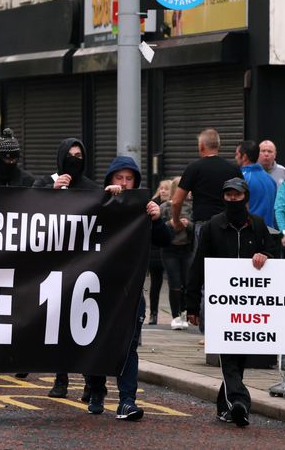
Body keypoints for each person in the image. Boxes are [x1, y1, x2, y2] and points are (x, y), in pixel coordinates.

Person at [83, 156, 171, 420]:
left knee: (128, 345)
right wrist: (104, 201)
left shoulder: (143, 208)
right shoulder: (98, 201)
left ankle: (127, 401)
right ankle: (97, 390)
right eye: (118, 178)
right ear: (110, 180)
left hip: (130, 290)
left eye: (128, 178)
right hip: (97, 288)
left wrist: (156, 219)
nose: (123, 183)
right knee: (95, 341)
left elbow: (165, 240)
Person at [186, 178, 277, 427]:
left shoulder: (258, 225)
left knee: (240, 355)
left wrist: (265, 255)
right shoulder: (213, 226)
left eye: (237, 195)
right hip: (221, 304)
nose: (232, 199)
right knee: (228, 355)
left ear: (245, 197)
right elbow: (198, 265)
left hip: (250, 305)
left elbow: (274, 252)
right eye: (228, 195)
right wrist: (191, 304)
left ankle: (223, 408)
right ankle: (240, 402)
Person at [33, 138, 97, 398]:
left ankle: (89, 382)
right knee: (58, 325)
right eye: (70, 154)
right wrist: (52, 191)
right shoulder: (43, 183)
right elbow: (29, 209)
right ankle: (60, 379)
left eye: (79, 155)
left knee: (84, 326)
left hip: (84, 266)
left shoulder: (92, 188)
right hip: (53, 266)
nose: (75, 158)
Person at [159, 176, 193, 330]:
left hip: (186, 249)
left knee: (187, 283)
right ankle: (175, 316)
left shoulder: (193, 207)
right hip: (170, 250)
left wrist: (189, 224)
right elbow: (159, 227)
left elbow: (198, 227)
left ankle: (185, 312)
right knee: (175, 284)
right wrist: (170, 224)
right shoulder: (166, 206)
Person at [236, 140, 277, 228]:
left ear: (244, 157)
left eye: (237, 154)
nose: (235, 158)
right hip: (269, 231)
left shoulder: (243, 178)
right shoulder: (271, 179)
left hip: (251, 232)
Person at [147, 180, 169, 326]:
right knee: (155, 282)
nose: (163, 191)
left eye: (166, 189)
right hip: (154, 252)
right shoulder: (152, 204)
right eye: (161, 188)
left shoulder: (173, 206)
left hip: (168, 249)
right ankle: (153, 313)